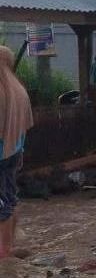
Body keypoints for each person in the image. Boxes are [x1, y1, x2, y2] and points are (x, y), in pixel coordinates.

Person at [0, 46, 33, 258]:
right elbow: (26, 123)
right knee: (11, 198)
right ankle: (8, 245)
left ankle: (2, 251)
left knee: (2, 203)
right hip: (16, 151)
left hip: (1, 154)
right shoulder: (18, 88)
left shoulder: (2, 89)